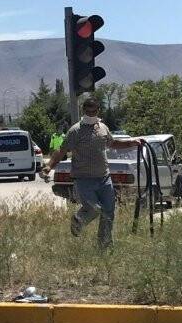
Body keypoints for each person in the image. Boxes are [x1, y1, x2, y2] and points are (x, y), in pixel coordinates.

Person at [40, 98, 142, 248]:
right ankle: (78, 220)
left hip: (104, 178)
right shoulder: (75, 131)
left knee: (108, 211)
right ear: (83, 111)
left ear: (98, 110)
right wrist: (49, 166)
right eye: (88, 111)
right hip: (84, 179)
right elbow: (61, 150)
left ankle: (104, 246)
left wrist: (132, 142)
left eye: (93, 111)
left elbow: (112, 143)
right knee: (93, 209)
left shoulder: (103, 128)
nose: (91, 113)